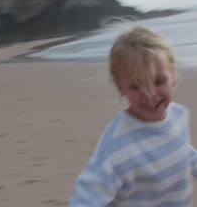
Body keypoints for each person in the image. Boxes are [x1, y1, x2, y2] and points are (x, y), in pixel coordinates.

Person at [69, 26, 197, 206]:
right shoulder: (117, 144)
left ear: (173, 75)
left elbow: (182, 151)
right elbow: (85, 197)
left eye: (158, 81)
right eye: (137, 86)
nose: (151, 94)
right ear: (121, 87)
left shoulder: (179, 114)